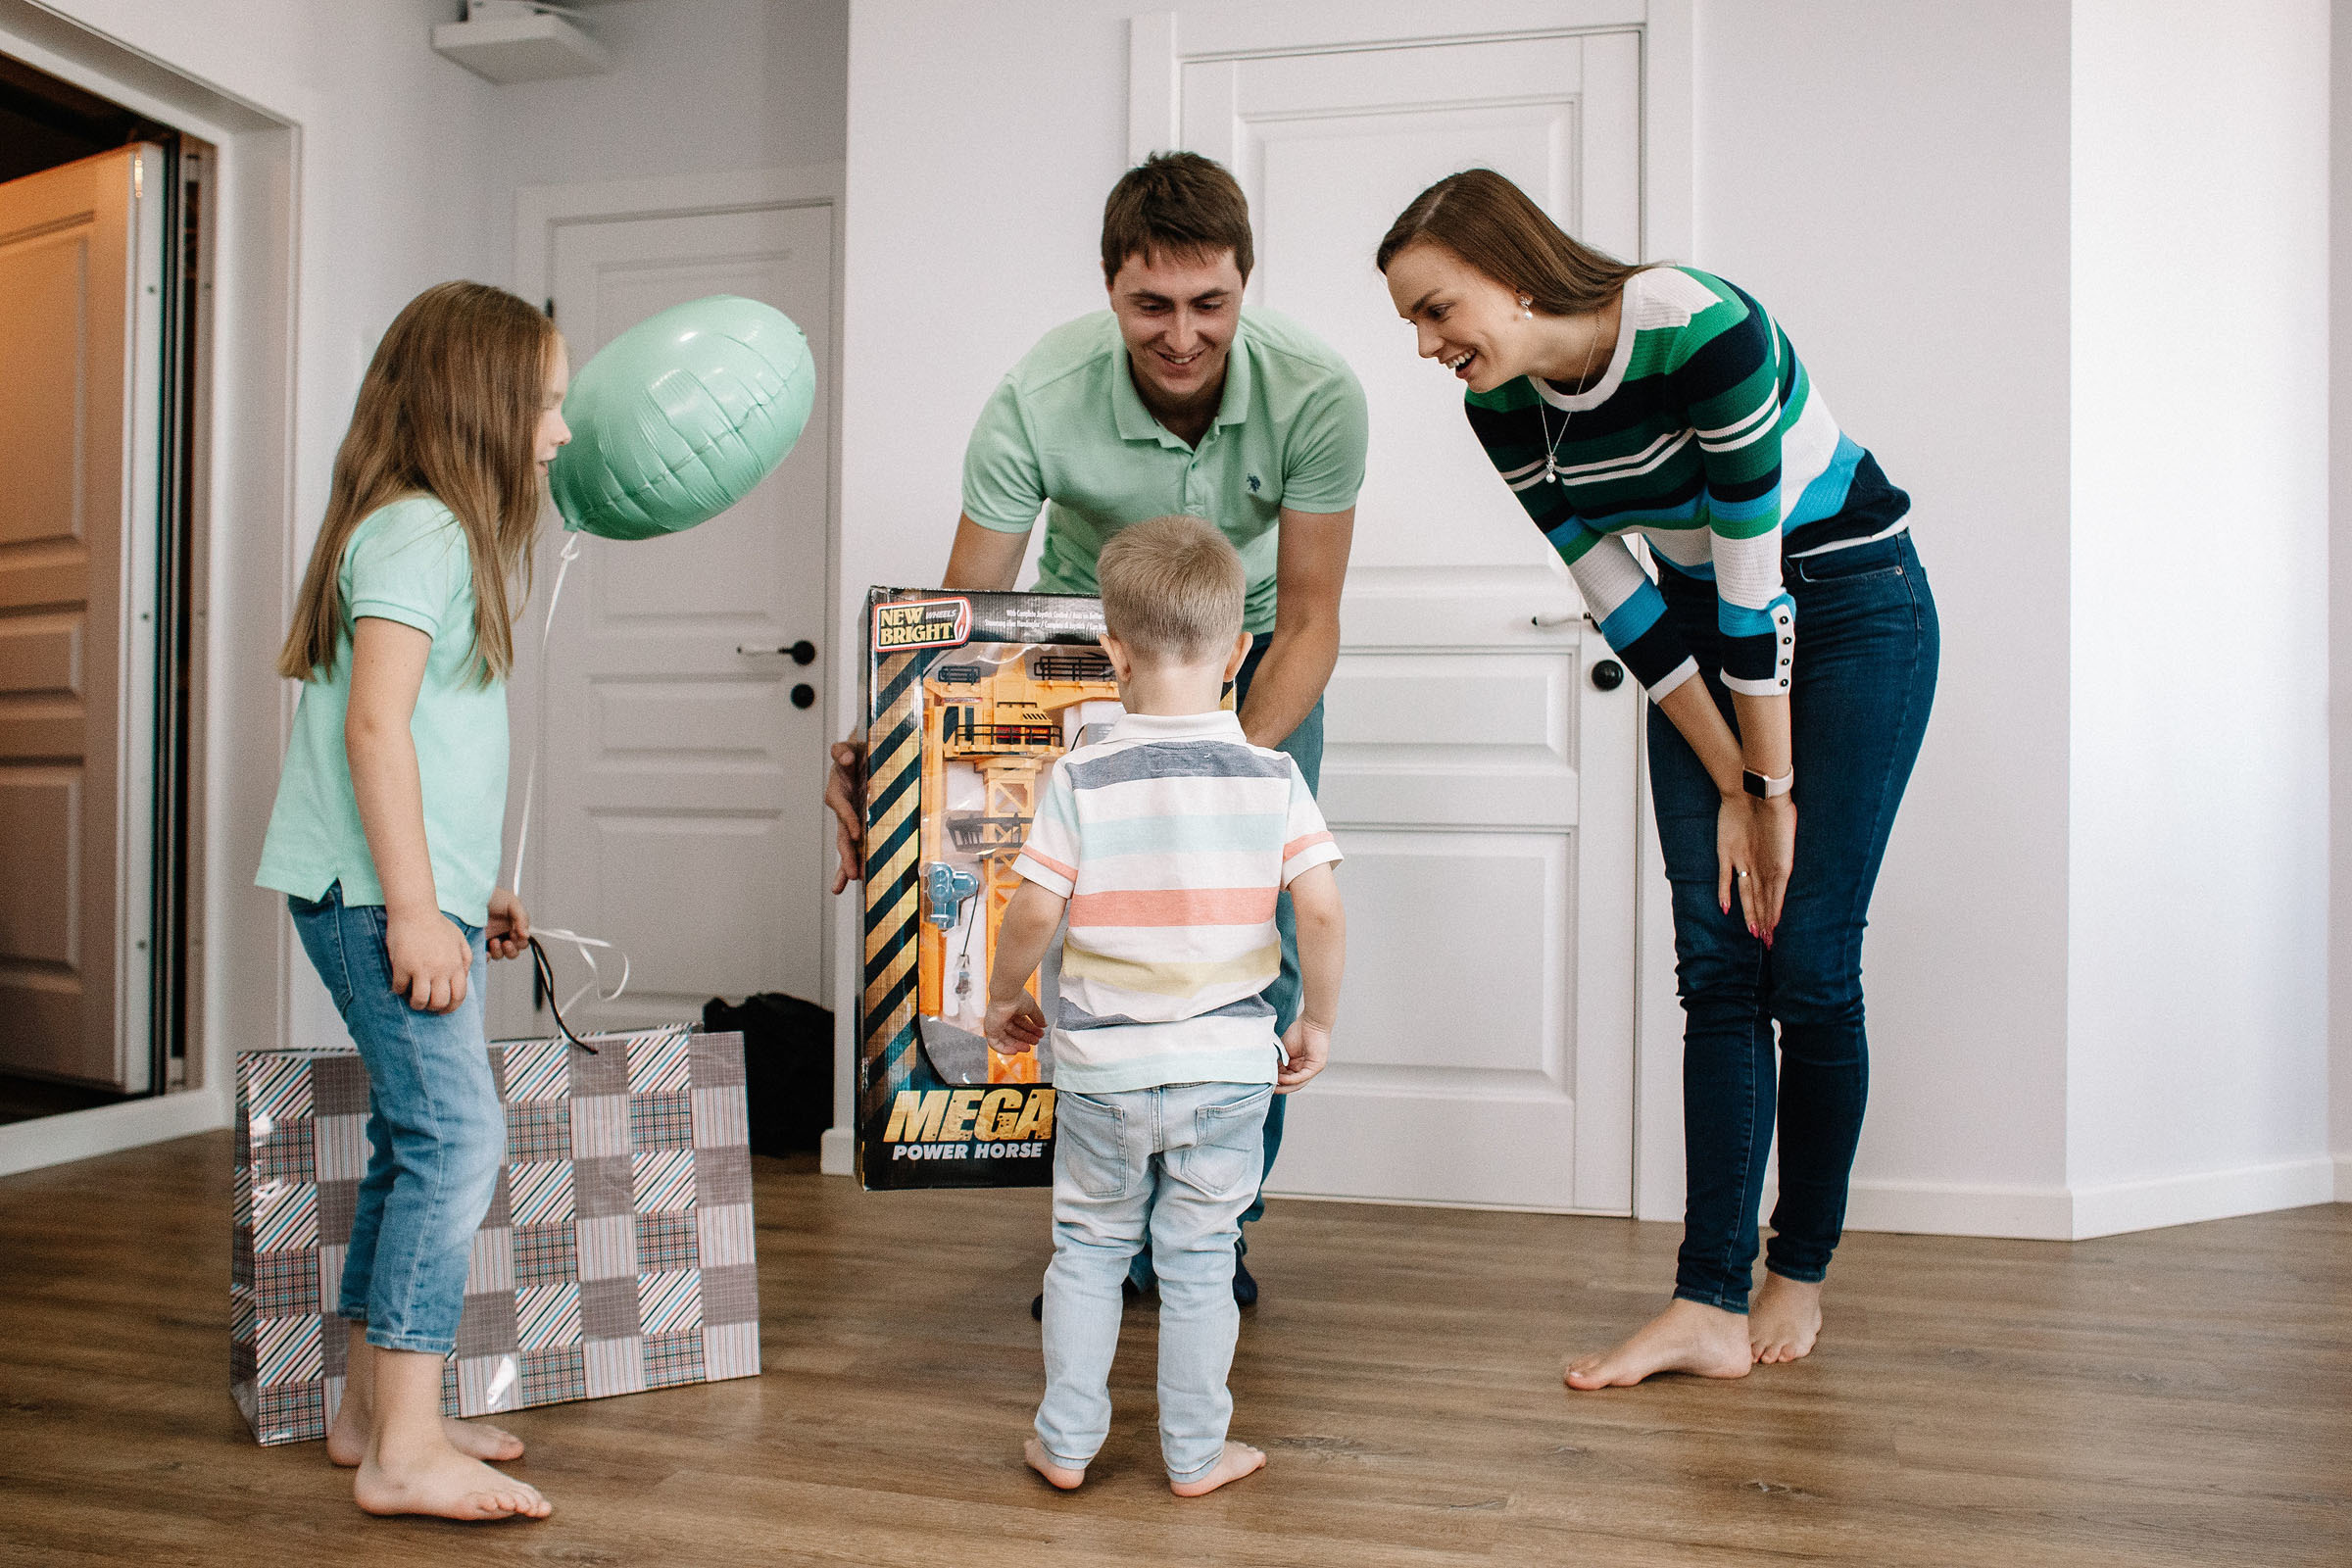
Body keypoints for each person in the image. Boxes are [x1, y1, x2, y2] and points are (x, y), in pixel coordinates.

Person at [1377, 172, 1937, 1388]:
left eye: (1437, 309)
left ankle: (1800, 1265)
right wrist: (1733, 773)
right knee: (1720, 957)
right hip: (1701, 640)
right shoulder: (1504, 409)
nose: (1427, 346)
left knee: (1812, 953)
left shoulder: (1699, 326)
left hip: (1847, 607)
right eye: (1412, 325)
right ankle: (1705, 1302)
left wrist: (1768, 793)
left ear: (1512, 270)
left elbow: (1757, 578)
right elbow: (1623, 599)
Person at [824, 151, 1368, 1307]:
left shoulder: (1318, 393)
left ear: (1244, 286)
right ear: (1112, 290)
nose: (1181, 335)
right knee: (1075, 924)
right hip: (1086, 646)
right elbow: (958, 625)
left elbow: (1317, 617)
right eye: (1151, 306)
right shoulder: (1038, 394)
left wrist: (1225, 761)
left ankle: (1213, 1233)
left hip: (1251, 651)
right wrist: (893, 759)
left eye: (1209, 304)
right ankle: (1103, 1231)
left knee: (1240, 942)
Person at [255, 281, 569, 1520]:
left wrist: (465, 886)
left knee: (411, 1136)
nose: (558, 430)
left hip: (396, 885)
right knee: (459, 1140)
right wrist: (411, 911)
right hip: (370, 892)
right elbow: (374, 728)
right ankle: (404, 1448)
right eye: (545, 403)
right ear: (481, 405)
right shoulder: (421, 533)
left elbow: (428, 744)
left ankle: (367, 1415)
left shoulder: (431, 534)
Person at [982, 515, 1346, 1496]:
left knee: (1090, 1250)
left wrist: (1004, 995)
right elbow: (1319, 905)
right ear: (1238, 652)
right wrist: (1314, 1019)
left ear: (1112, 650)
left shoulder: (1081, 777)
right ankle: (1193, 1453)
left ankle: (1064, 1442)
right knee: (1198, 1260)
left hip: (1105, 1071)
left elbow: (1033, 911)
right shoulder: (1275, 779)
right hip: (1227, 1070)